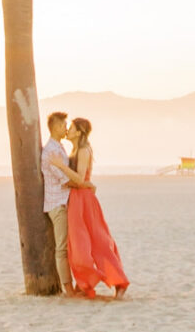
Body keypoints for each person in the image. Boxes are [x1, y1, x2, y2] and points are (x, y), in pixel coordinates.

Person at [65, 117, 129, 299]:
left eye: (71, 128)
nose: (68, 131)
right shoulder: (74, 149)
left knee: (99, 243)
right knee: (78, 245)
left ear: (79, 132)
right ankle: (85, 282)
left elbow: (79, 179)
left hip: (85, 199)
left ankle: (120, 283)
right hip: (76, 199)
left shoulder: (84, 150)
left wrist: (61, 168)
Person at [41, 110, 84, 295]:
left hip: (63, 200)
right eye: (64, 125)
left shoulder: (58, 147)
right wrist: (84, 185)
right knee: (61, 247)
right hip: (57, 203)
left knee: (69, 245)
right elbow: (64, 180)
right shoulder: (51, 151)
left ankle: (75, 284)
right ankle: (68, 288)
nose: (66, 128)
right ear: (56, 127)